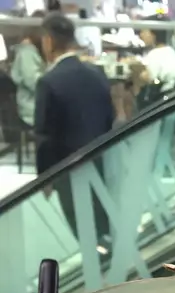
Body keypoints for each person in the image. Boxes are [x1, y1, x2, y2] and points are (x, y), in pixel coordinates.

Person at [35, 13, 114, 241]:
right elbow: (108, 118)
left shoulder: (49, 82)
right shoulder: (97, 74)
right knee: (102, 228)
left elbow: (44, 135)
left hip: (67, 170)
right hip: (102, 164)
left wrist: (45, 177)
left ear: (48, 41)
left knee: (82, 231)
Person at [10, 11, 45, 128]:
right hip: (32, 109)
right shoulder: (27, 52)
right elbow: (33, 82)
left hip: (41, 105)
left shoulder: (37, 50)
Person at [139, 16, 175, 93]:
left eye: (143, 31)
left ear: (154, 34)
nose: (141, 35)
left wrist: (142, 75)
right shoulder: (170, 50)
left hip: (166, 94)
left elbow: (151, 79)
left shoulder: (155, 54)